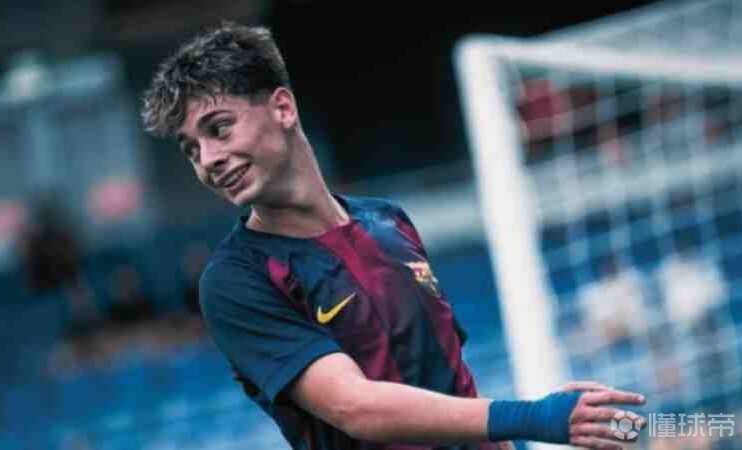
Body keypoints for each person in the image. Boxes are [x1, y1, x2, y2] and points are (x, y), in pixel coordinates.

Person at [141, 22, 647, 450]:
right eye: (191, 150)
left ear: (283, 108)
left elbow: (454, 380)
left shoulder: (389, 221)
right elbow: (356, 407)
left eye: (219, 129)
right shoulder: (235, 280)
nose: (208, 160)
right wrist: (533, 417)